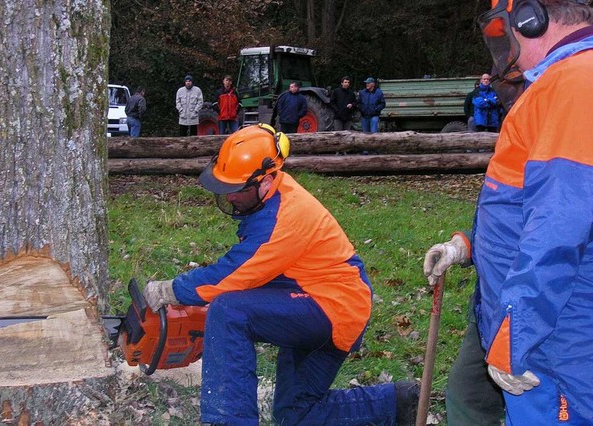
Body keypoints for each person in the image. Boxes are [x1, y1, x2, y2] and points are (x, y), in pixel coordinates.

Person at [143, 124, 420, 425]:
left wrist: (171, 290)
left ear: (264, 181)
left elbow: (232, 275)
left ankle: (229, 419)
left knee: (228, 311)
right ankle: (395, 403)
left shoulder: (284, 218)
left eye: (237, 190)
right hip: (316, 300)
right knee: (296, 414)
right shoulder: (271, 200)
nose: (231, 198)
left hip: (332, 307)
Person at [424, 0, 593, 424]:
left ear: (531, 21)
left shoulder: (574, 83)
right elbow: (530, 207)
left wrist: (517, 337)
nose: (504, 53)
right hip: (547, 326)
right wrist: (467, 244)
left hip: (555, 341)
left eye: (505, 33)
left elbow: (560, 227)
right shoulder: (563, 83)